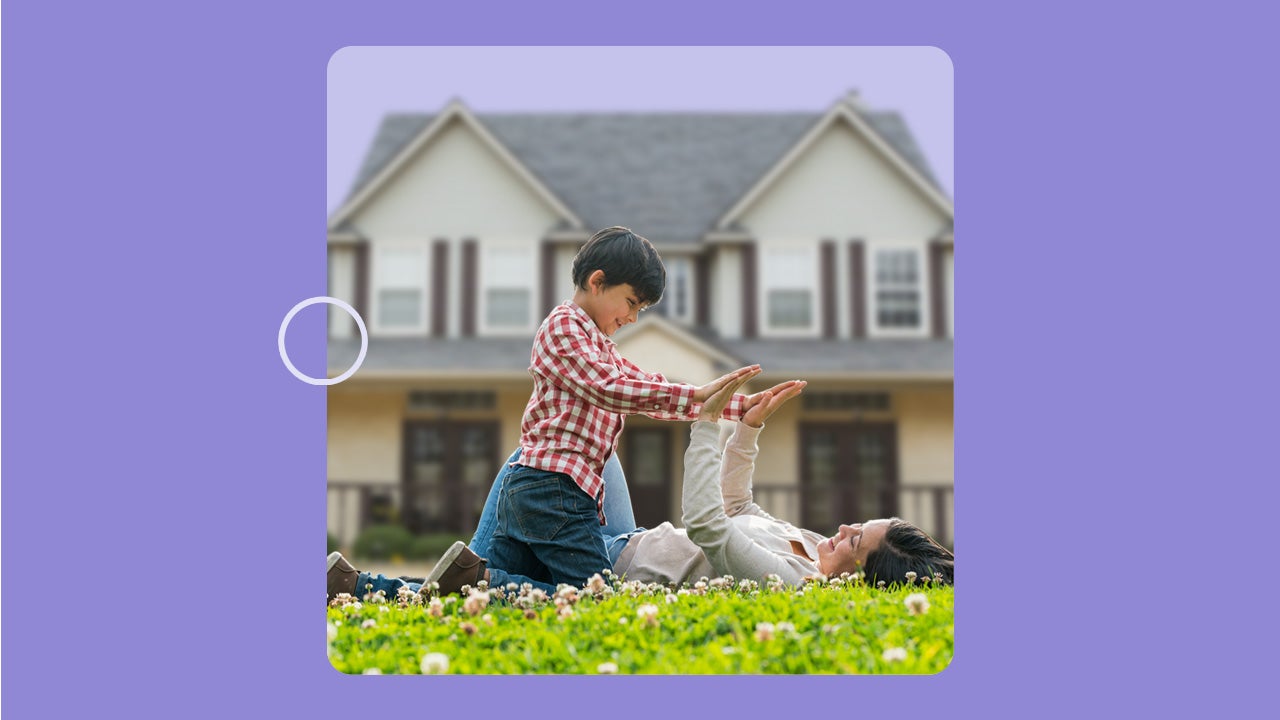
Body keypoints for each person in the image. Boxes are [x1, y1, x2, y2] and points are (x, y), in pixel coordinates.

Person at [328, 226, 762, 601]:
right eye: (631, 303)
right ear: (597, 281)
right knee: (596, 599)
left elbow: (652, 387)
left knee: (458, 593)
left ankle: (353, 585)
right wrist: (707, 403)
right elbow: (610, 389)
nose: (632, 318)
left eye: (640, 311)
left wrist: (737, 409)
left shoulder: (600, 345)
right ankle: (482, 578)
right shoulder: (562, 327)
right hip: (552, 492)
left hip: (541, 492)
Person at [327, 372, 952, 601]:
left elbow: (709, 524)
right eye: (860, 523)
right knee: (558, 446)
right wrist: (747, 430)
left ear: (862, 576)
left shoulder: (795, 582)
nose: (844, 529)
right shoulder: (810, 546)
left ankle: (411, 584)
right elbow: (739, 509)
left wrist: (706, 425)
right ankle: (468, 574)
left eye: (856, 542)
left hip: (616, 563)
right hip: (630, 532)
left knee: (513, 551)